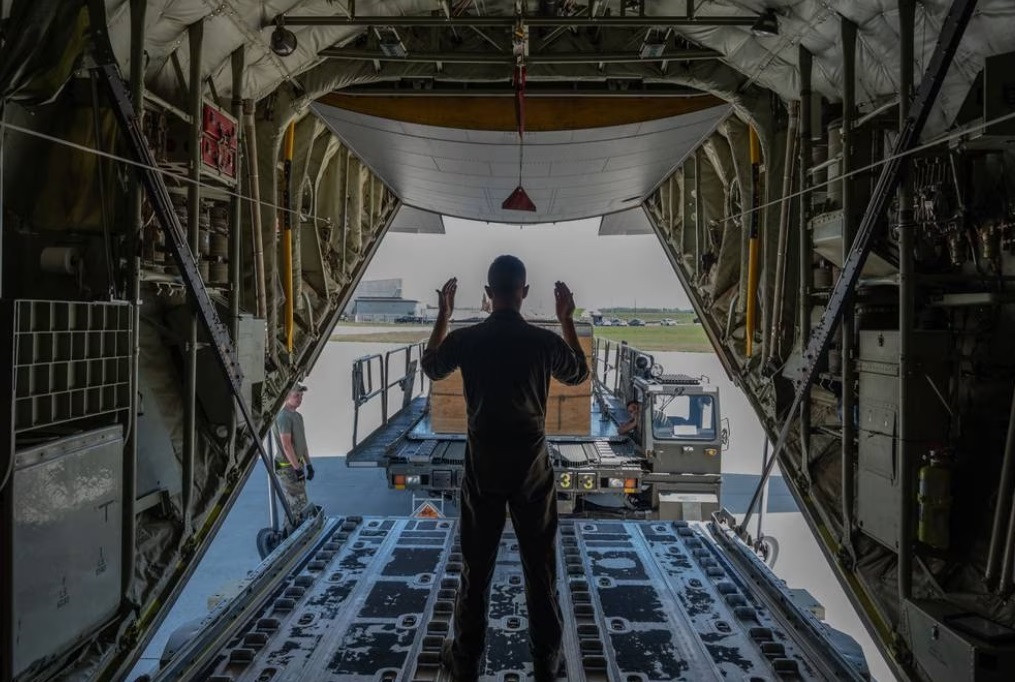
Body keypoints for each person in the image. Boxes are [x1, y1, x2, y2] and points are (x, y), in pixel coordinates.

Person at [421, 255, 589, 682]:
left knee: (476, 570)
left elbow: (431, 365)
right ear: (524, 293)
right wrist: (566, 320)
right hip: (531, 468)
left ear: (488, 293)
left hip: (484, 467)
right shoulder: (543, 342)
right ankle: (547, 663)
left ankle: (465, 662)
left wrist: (443, 316)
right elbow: (578, 373)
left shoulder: (467, 339)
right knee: (541, 570)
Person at [274, 384, 315, 519]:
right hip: (288, 468)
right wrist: (297, 469)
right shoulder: (283, 417)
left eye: (301, 396)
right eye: (296, 395)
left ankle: (297, 527)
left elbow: (302, 443)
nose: (300, 398)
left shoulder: (298, 416)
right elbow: (286, 445)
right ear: (287, 397)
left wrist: (308, 464)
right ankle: (291, 529)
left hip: (297, 465)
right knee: (296, 506)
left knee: (300, 504)